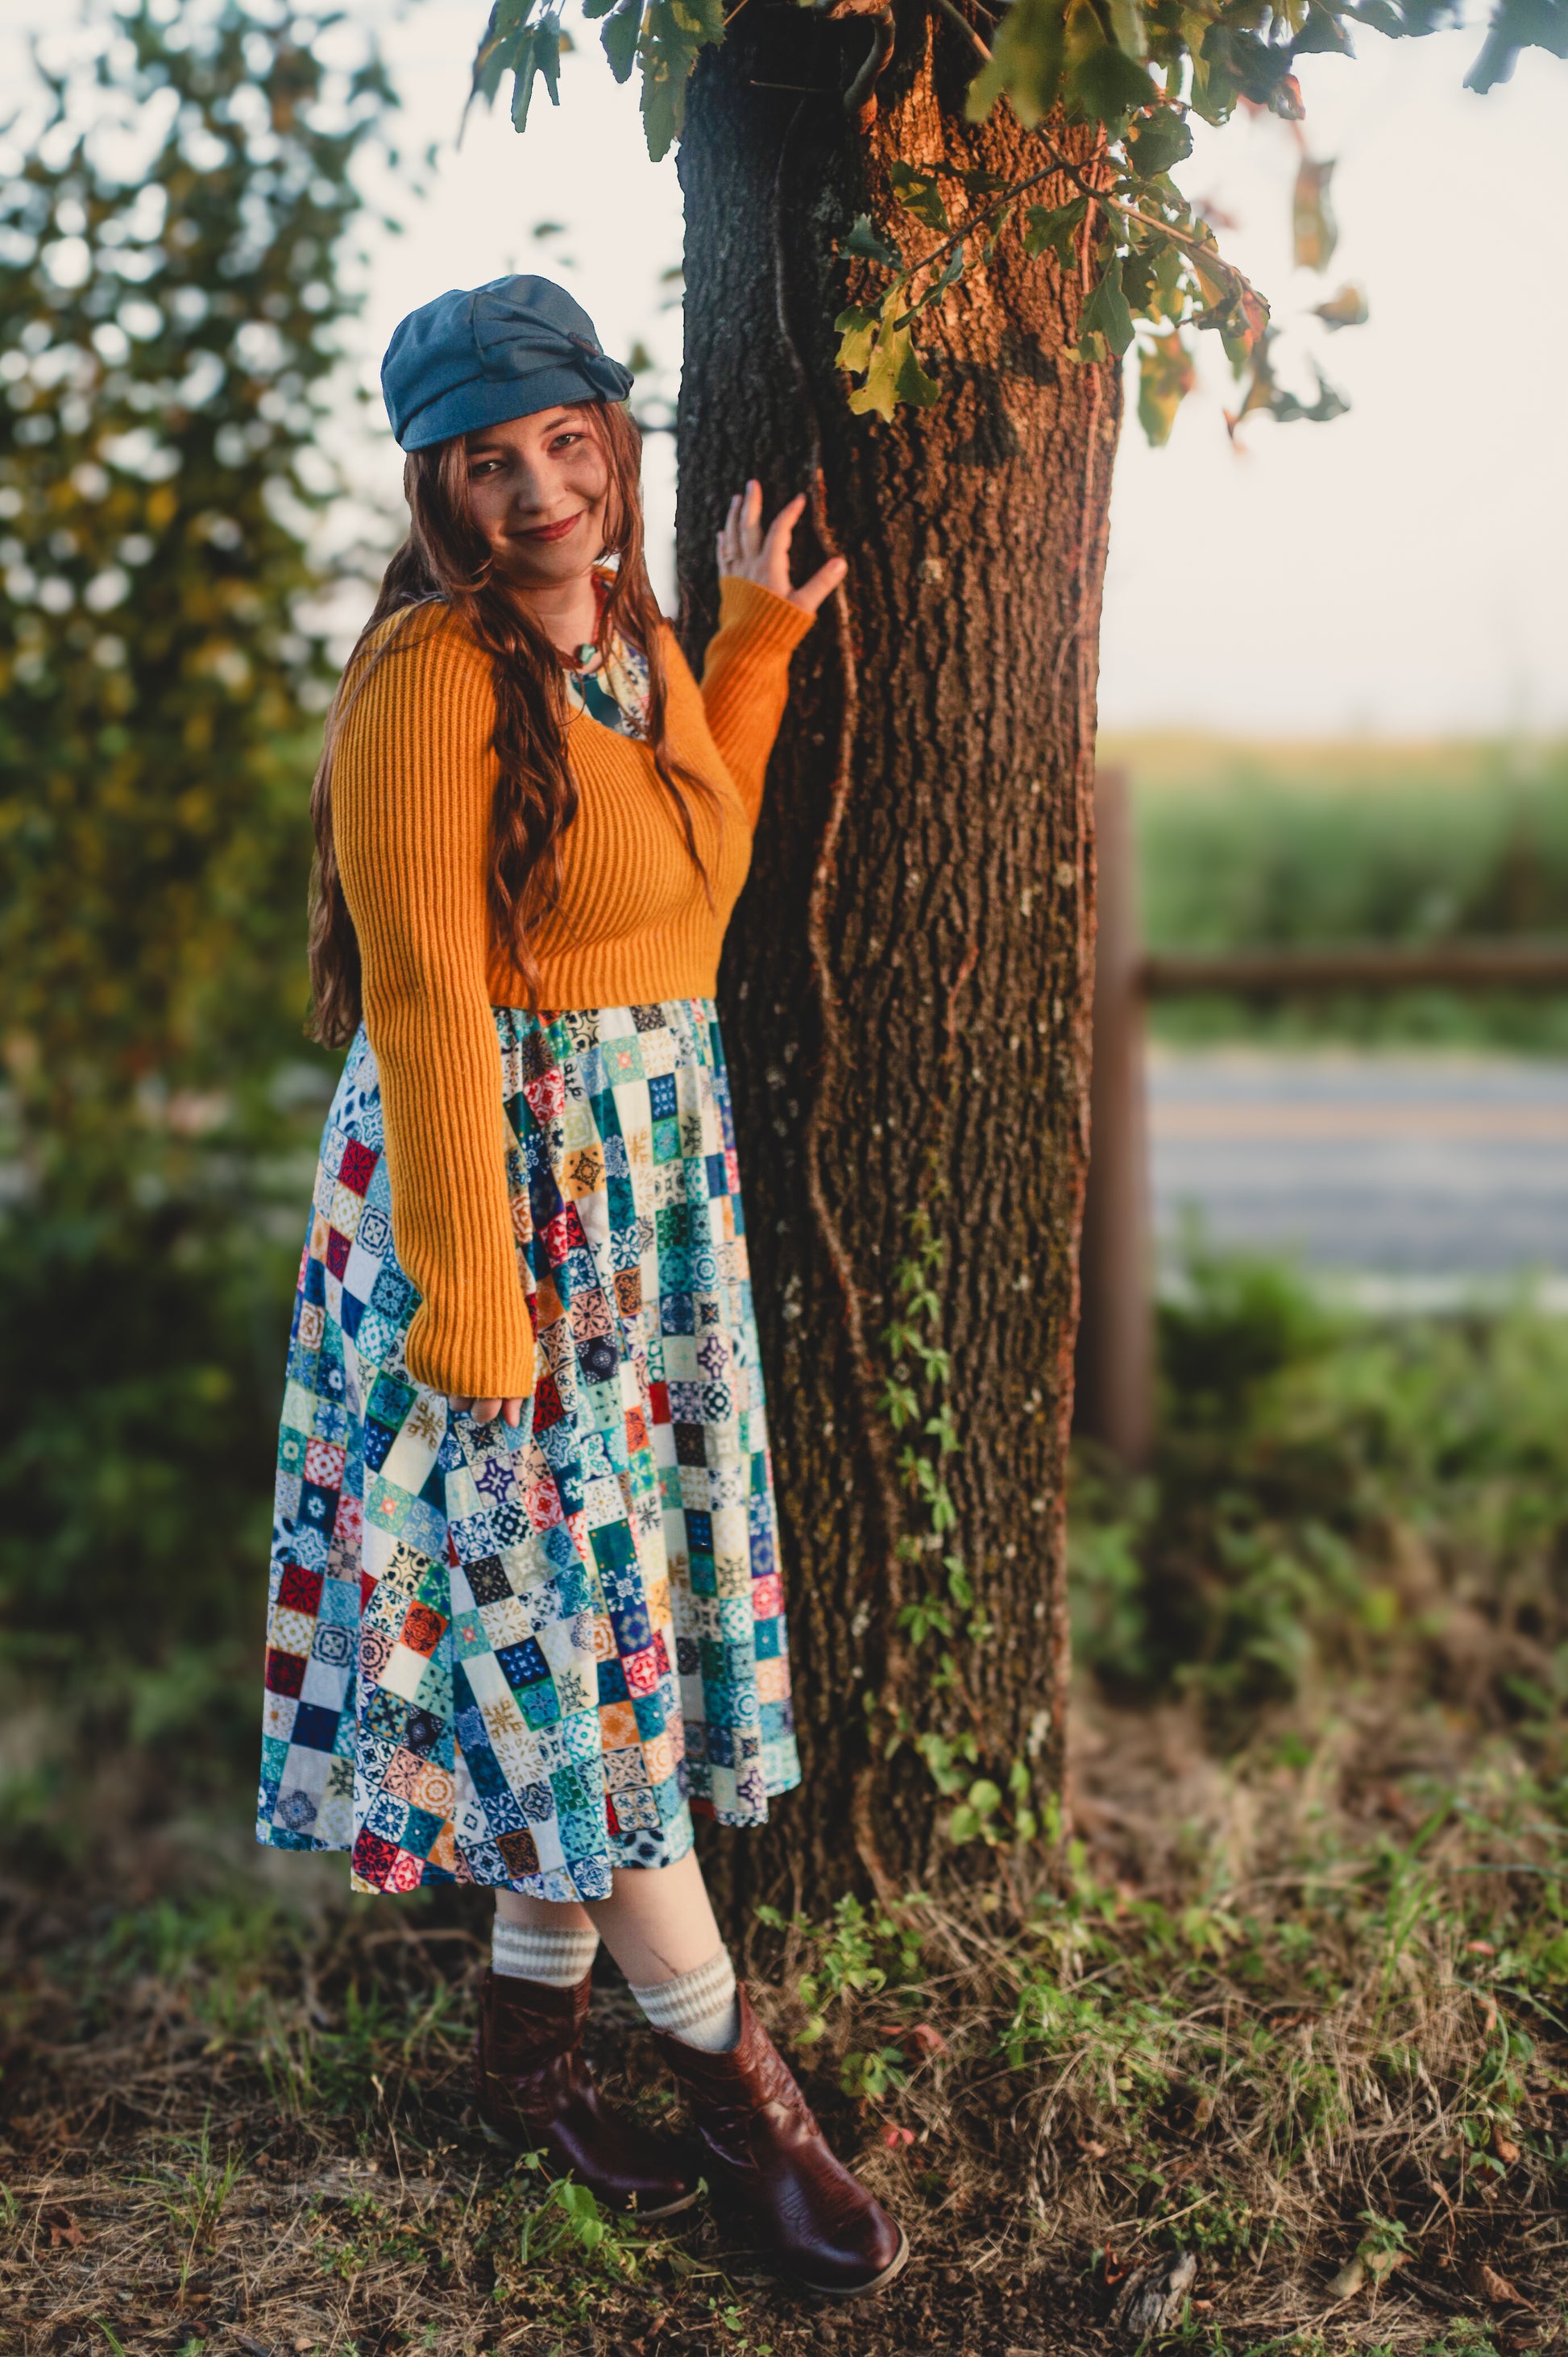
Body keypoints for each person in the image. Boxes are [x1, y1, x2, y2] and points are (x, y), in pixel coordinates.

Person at [255, 275, 906, 2299]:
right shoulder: (426, 680)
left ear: (612, 438)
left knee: (595, 1639)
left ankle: (524, 2053)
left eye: (565, 440)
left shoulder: (626, 648)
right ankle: (745, 2103)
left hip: (643, 1202)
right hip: (500, 1209)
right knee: (590, 1652)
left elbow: (687, 900)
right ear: (437, 488)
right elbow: (431, 988)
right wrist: (470, 1289)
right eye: (487, 459)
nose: (538, 487)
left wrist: (757, 647)